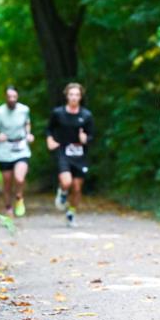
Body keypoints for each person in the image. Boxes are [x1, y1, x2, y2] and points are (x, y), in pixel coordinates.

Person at [46, 83, 94, 228]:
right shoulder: (58, 113)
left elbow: (91, 136)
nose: (74, 97)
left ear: (81, 97)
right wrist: (50, 140)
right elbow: (49, 129)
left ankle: (71, 213)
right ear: (67, 96)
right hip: (63, 151)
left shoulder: (86, 115)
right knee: (67, 182)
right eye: (71, 94)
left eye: (77, 95)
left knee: (78, 188)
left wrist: (85, 139)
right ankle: (62, 191)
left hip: (80, 154)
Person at [0, 86, 33, 217]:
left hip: (21, 147)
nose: (12, 99)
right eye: (9, 97)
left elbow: (27, 123)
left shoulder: (24, 109)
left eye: (14, 97)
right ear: (5, 97)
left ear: (17, 97)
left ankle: (19, 196)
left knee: (19, 178)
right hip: (5, 148)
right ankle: (8, 207)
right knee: (7, 182)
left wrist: (28, 134)